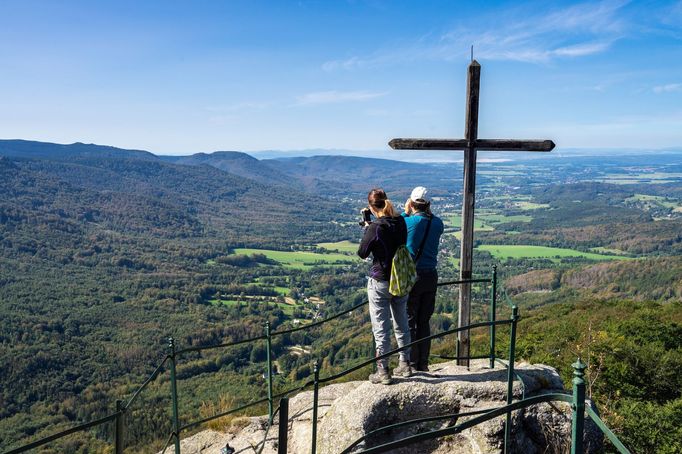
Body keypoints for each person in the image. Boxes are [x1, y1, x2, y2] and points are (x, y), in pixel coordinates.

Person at [357, 188, 412, 385]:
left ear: (371, 207)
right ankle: (405, 364)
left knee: (381, 327)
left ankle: (383, 371)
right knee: (401, 322)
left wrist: (367, 226)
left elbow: (363, 252)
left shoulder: (375, 227)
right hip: (400, 279)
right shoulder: (400, 221)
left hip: (380, 280)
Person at [402, 186, 444, 372]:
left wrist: (406, 211)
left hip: (414, 276)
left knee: (410, 320)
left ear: (411, 203)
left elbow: (399, 222)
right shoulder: (438, 223)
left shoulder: (409, 222)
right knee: (424, 321)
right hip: (431, 276)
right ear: (428, 204)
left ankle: (411, 363)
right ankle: (424, 363)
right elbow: (430, 221)